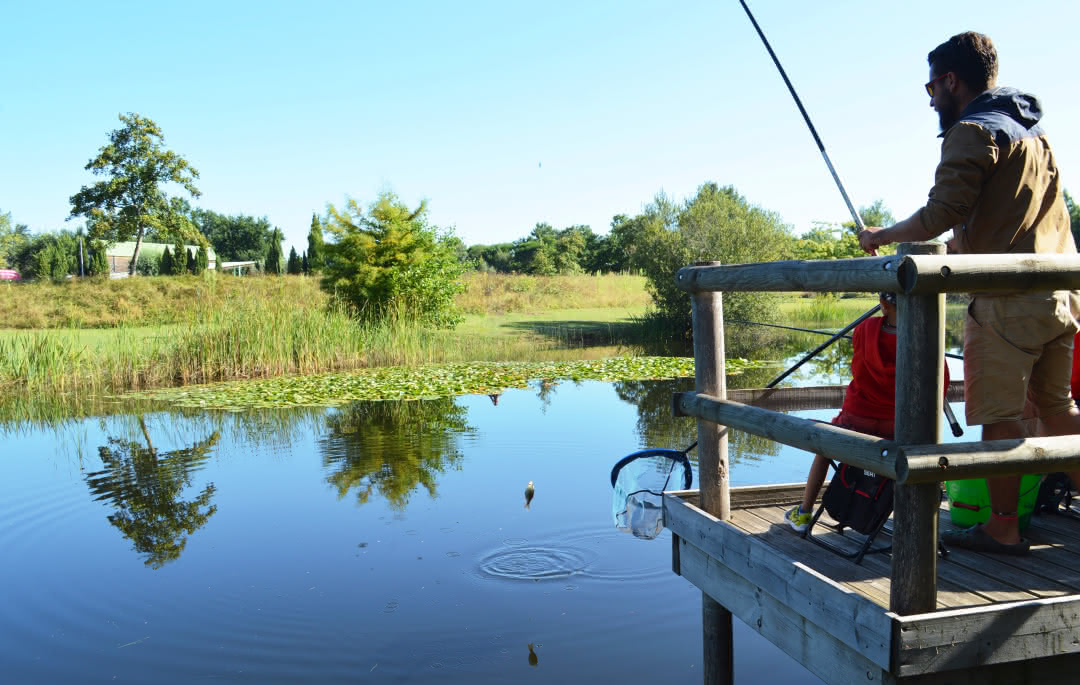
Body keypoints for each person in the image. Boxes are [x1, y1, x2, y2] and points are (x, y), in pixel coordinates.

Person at [857, 32, 1080, 555]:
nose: (930, 96)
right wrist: (965, 240)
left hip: (1006, 303)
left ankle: (1003, 527)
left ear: (952, 80)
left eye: (931, 85)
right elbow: (1010, 216)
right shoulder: (1034, 133)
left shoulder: (971, 131)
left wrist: (881, 237)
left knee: (998, 416)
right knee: (1057, 405)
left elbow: (942, 212)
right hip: (1060, 295)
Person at [787, 293, 951, 530]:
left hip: (855, 422)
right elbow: (940, 384)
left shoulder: (865, 328)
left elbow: (858, 368)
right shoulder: (925, 336)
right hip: (899, 429)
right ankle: (921, 525)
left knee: (824, 446)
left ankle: (804, 513)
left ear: (884, 305)